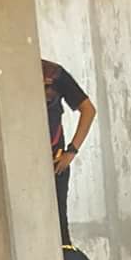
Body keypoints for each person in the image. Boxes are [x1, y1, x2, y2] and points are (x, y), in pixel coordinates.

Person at [43, 58, 96, 246]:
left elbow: (88, 110)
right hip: (23, 164)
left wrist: (71, 151)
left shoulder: (53, 73)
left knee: (60, 231)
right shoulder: (6, 75)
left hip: (55, 163)